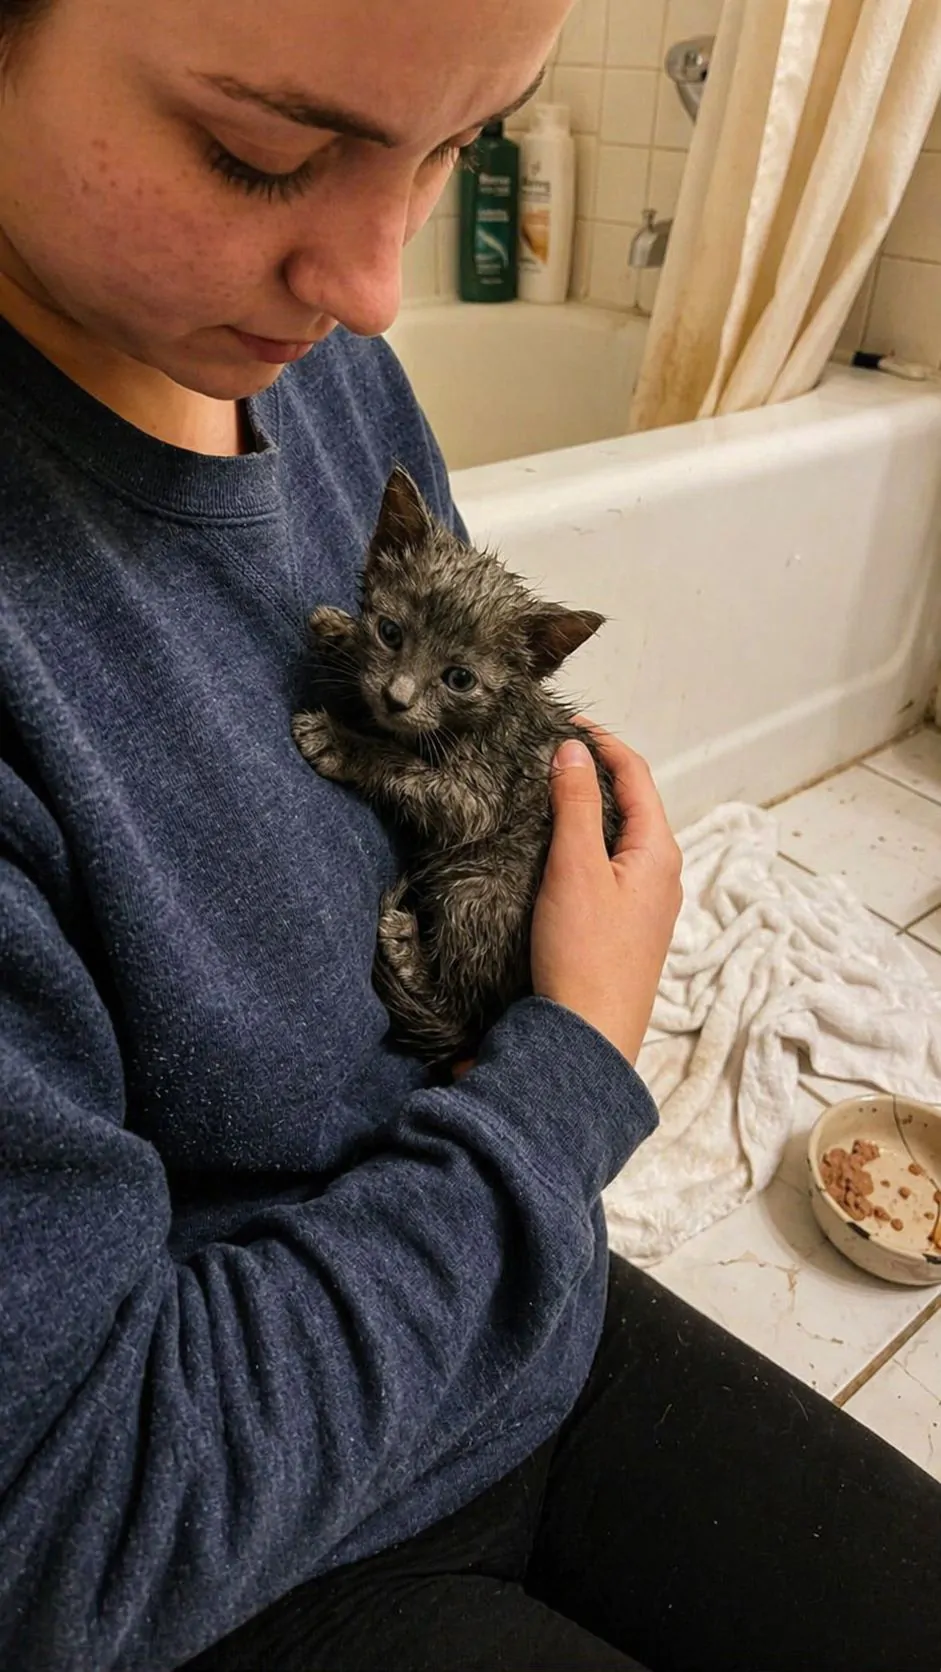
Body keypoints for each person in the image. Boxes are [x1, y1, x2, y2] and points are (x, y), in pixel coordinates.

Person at [0, 1, 938, 1668]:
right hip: (246, 1556)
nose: (375, 292)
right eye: (262, 153)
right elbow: (73, 1529)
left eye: (451, 149)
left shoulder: (321, 372)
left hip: (503, 1298)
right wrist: (573, 1060)